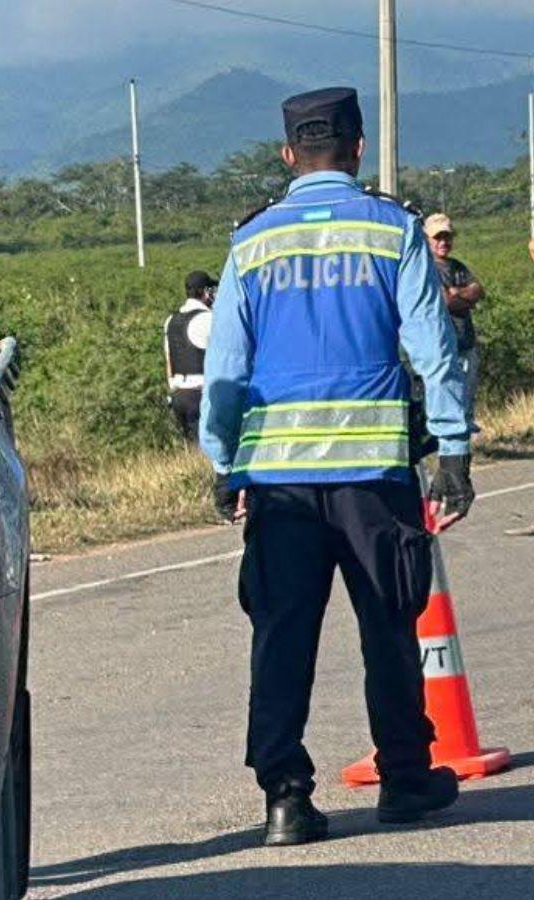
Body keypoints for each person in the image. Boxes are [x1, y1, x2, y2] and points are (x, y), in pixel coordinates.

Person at [199, 87, 475, 847]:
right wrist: (453, 449)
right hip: (373, 476)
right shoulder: (393, 230)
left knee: (281, 635)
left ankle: (285, 799)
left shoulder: (252, 242)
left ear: (289, 154)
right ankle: (407, 778)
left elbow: (226, 369)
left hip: (278, 483)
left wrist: (224, 463)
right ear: (358, 148)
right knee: (389, 624)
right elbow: (433, 348)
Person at [424, 213, 483, 430]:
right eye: (437, 237)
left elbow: (479, 290)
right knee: (447, 405)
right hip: (442, 347)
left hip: (465, 343)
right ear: (427, 238)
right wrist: (464, 297)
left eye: (447, 237)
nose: (443, 242)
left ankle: (463, 445)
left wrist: (457, 293)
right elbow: (446, 302)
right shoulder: (426, 268)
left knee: (466, 403)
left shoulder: (458, 266)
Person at [163, 270, 217, 441]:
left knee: (191, 447)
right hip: (200, 395)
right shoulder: (209, 319)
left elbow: (169, 360)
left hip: (178, 396)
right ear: (205, 292)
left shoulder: (170, 321)